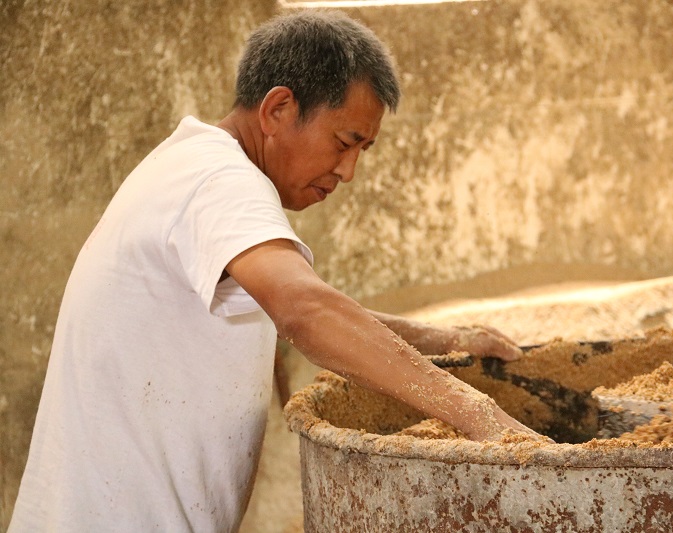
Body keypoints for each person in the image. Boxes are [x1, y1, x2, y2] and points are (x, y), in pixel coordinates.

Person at [9, 10, 547, 533]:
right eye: (344, 142)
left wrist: (447, 339)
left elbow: (294, 305)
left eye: (364, 149)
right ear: (277, 110)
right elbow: (306, 310)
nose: (349, 171)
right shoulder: (220, 180)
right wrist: (481, 416)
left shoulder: (193, 167)